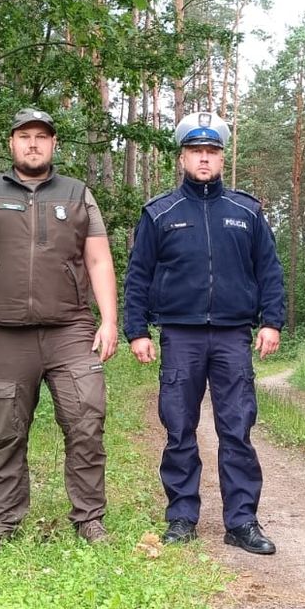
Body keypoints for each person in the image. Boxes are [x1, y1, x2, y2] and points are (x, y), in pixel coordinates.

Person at [0, 107, 119, 553]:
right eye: (24, 136)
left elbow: (98, 259)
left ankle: (89, 519)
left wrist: (111, 321)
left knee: (86, 422)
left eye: (41, 136)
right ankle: (4, 524)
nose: (33, 144)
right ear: (11, 143)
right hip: (4, 331)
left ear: (54, 144)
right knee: (7, 431)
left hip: (71, 330)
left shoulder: (78, 194)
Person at [123, 111, 285, 555]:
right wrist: (137, 330)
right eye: (196, 151)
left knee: (237, 429)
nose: (203, 158)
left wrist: (271, 321)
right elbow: (138, 275)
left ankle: (242, 521)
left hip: (233, 336)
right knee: (179, 429)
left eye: (211, 151)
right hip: (180, 336)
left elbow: (269, 271)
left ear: (221, 157)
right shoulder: (160, 213)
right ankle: (181, 516)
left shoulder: (246, 212)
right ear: (182, 158)